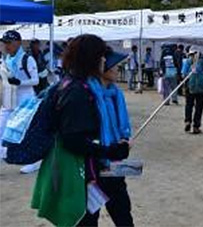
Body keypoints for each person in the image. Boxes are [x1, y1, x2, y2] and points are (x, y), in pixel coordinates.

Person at [31, 35, 134, 226]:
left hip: (99, 168)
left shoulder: (78, 85)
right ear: (91, 57)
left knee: (120, 213)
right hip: (86, 172)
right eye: (102, 55)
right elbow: (73, 140)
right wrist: (110, 150)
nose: (106, 60)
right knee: (87, 220)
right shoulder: (79, 91)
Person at [1, 30, 41, 173]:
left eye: (9, 43)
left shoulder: (27, 59)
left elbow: (35, 80)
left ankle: (35, 161)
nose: (6, 46)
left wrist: (20, 82)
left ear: (18, 42)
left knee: (28, 131)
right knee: (2, 127)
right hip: (10, 98)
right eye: (5, 43)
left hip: (26, 100)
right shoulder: (5, 59)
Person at [185, 50, 203, 134]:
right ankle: (196, 126)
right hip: (201, 87)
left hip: (190, 86)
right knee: (199, 107)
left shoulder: (187, 62)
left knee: (189, 105)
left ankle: (188, 121)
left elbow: (183, 73)